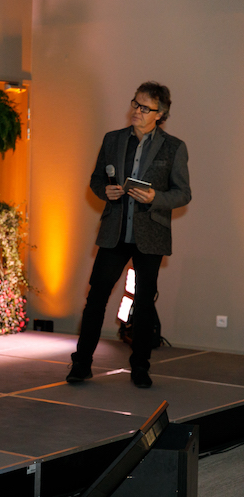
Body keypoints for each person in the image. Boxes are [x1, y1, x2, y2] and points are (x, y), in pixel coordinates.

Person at [67, 81, 191, 388]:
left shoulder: (174, 147)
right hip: (115, 232)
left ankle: (140, 368)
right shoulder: (113, 139)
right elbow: (96, 180)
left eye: (145, 108)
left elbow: (183, 193)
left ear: (160, 114)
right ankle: (81, 364)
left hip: (151, 235)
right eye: (135, 103)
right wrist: (105, 191)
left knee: (144, 303)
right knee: (96, 298)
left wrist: (155, 197)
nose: (136, 111)